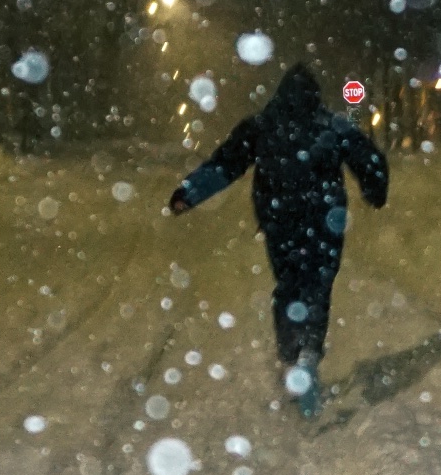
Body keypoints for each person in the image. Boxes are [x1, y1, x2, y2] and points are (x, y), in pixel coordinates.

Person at [167, 65, 389, 419]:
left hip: (280, 221)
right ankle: (309, 355)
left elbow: (226, 164)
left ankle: (291, 355)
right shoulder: (332, 126)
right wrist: (374, 189)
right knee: (317, 287)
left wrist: (188, 194)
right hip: (325, 220)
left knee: (289, 287)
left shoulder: (261, 126)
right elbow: (369, 158)